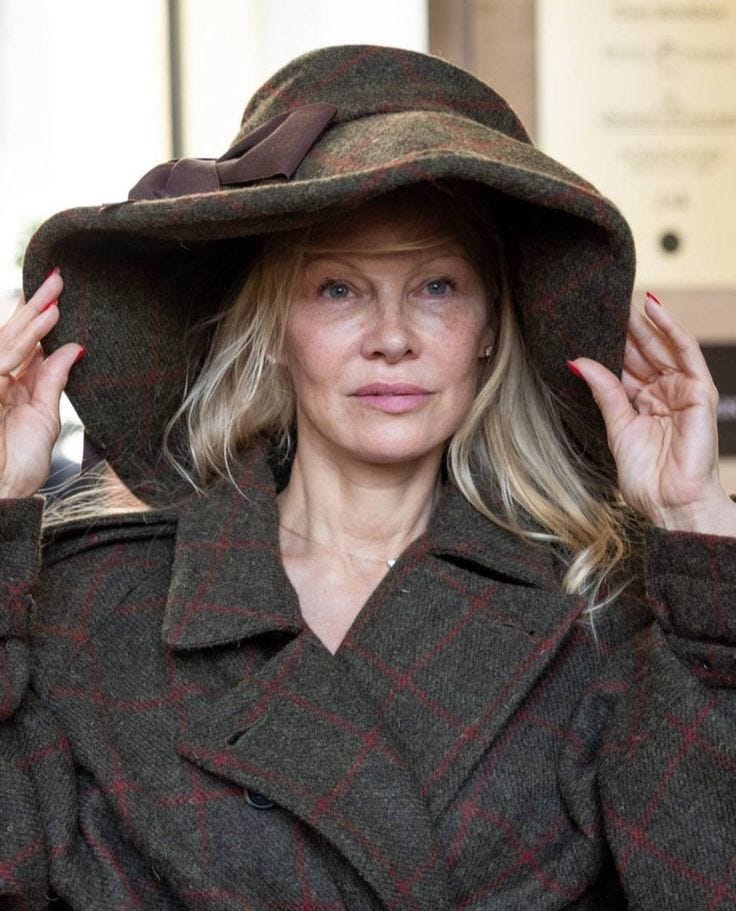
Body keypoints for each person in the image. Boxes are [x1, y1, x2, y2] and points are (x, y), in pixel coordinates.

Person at [1, 44, 735, 911]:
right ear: (275, 327)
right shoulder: (95, 603)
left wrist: (694, 520)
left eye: (436, 286)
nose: (392, 337)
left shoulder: (603, 610)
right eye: (338, 290)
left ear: (490, 328)